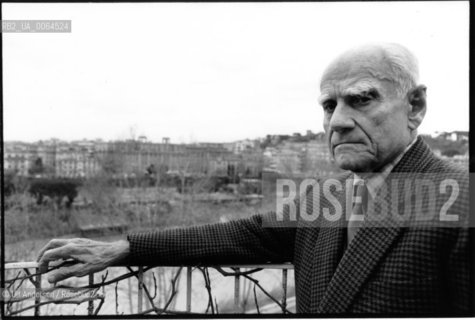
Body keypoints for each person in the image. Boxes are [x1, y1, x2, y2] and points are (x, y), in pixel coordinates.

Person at [37, 43, 471, 314]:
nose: (337, 121)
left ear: (414, 106)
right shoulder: (329, 197)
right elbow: (244, 235)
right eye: (328, 105)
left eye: (360, 100)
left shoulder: (459, 200)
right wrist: (123, 248)